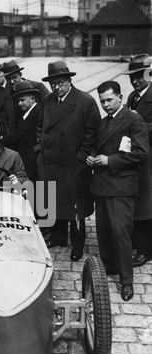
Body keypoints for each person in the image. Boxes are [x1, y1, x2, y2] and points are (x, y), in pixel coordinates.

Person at [86, 81, 148, 302]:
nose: (105, 105)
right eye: (102, 101)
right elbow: (96, 146)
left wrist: (108, 160)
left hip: (121, 186)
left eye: (109, 100)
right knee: (104, 232)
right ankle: (109, 267)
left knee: (120, 233)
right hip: (102, 185)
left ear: (120, 98)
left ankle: (127, 281)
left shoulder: (133, 119)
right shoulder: (104, 123)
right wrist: (92, 156)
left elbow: (141, 153)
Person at [36, 60, 101, 262]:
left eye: (61, 82)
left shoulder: (85, 101)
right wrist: (39, 148)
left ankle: (78, 244)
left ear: (69, 80)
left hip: (74, 165)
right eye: (53, 83)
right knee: (55, 202)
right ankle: (58, 238)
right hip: (52, 162)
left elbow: (93, 133)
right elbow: (40, 128)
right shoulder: (47, 101)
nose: (57, 87)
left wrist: (81, 157)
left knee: (76, 208)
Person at [124, 53, 152, 268]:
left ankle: (146, 250)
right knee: (135, 200)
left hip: (149, 158)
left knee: (146, 204)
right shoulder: (133, 97)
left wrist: (137, 128)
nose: (135, 80)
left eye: (139, 75)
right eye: (132, 76)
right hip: (135, 156)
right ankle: (136, 241)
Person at [2, 60, 50, 144]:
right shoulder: (7, 95)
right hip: (18, 140)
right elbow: (6, 118)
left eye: (14, 77)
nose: (12, 81)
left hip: (38, 139)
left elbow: (51, 109)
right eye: (8, 79)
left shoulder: (37, 87)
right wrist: (9, 131)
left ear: (20, 75)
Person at [10, 80, 41, 185]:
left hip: (36, 169)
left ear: (32, 99)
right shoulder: (25, 115)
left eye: (22, 100)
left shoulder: (39, 115)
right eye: (18, 101)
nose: (19, 104)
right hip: (28, 167)